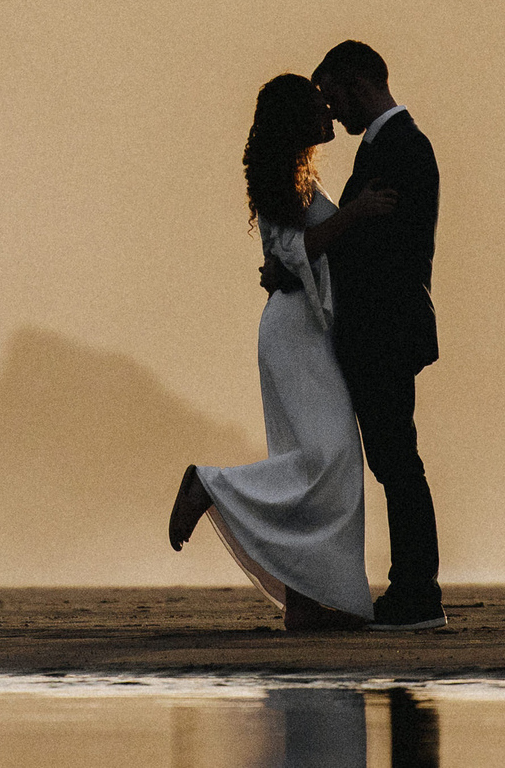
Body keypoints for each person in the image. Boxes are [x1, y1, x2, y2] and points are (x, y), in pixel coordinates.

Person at [168, 73, 396, 630]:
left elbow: (292, 256)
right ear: (297, 119)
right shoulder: (280, 179)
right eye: (319, 106)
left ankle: (305, 605)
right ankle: (210, 484)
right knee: (331, 457)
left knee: (317, 459)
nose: (329, 112)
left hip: (306, 329)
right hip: (295, 333)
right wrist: (357, 213)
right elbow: (297, 249)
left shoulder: (298, 178)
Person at [295, 39, 445, 631]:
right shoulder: (391, 146)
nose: (331, 112)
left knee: (396, 460)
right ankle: (412, 587)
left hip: (385, 329)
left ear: (357, 81)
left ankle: (417, 592)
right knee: (393, 458)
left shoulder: (403, 147)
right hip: (382, 328)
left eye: (332, 96)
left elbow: (387, 251)